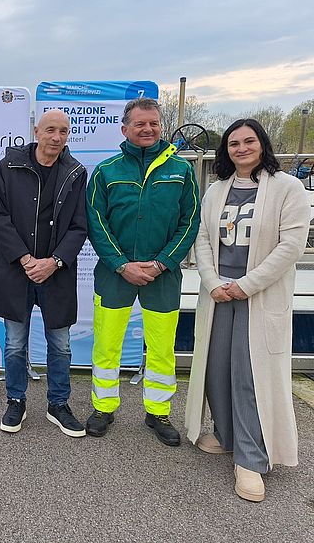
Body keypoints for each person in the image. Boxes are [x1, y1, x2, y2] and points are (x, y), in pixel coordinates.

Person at [185, 119, 309, 502]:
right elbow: (202, 238)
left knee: (249, 374)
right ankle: (227, 436)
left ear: (262, 144)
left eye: (248, 141)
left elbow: (291, 246)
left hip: (259, 295)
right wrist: (212, 281)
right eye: (234, 143)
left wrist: (247, 284)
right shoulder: (216, 190)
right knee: (217, 368)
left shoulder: (287, 188)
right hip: (220, 294)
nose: (241, 148)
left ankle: (251, 459)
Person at [85, 97, 200, 445]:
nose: (147, 129)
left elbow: (190, 222)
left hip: (162, 275)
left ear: (161, 126)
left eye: (153, 123)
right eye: (140, 123)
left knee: (162, 348)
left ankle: (158, 412)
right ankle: (103, 407)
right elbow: (96, 222)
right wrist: (121, 264)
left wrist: (162, 262)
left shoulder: (181, 170)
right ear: (125, 129)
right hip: (114, 274)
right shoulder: (106, 171)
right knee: (106, 345)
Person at [0, 109, 88, 436]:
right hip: (16, 271)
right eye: (50, 130)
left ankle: (58, 404)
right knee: (15, 344)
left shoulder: (76, 172)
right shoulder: (7, 167)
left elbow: (79, 226)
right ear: (36, 131)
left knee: (61, 345)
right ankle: (16, 400)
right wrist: (25, 259)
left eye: (63, 131)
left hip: (56, 273)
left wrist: (53, 262)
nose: (57, 138)